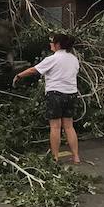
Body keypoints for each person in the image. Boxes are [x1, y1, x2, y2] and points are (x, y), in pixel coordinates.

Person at [12, 33, 81, 164]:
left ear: (58, 44)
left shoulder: (53, 59)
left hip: (55, 95)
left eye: (52, 42)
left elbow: (34, 70)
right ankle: (76, 157)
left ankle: (55, 157)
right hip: (71, 94)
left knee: (55, 127)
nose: (50, 44)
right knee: (69, 126)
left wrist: (19, 75)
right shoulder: (73, 59)